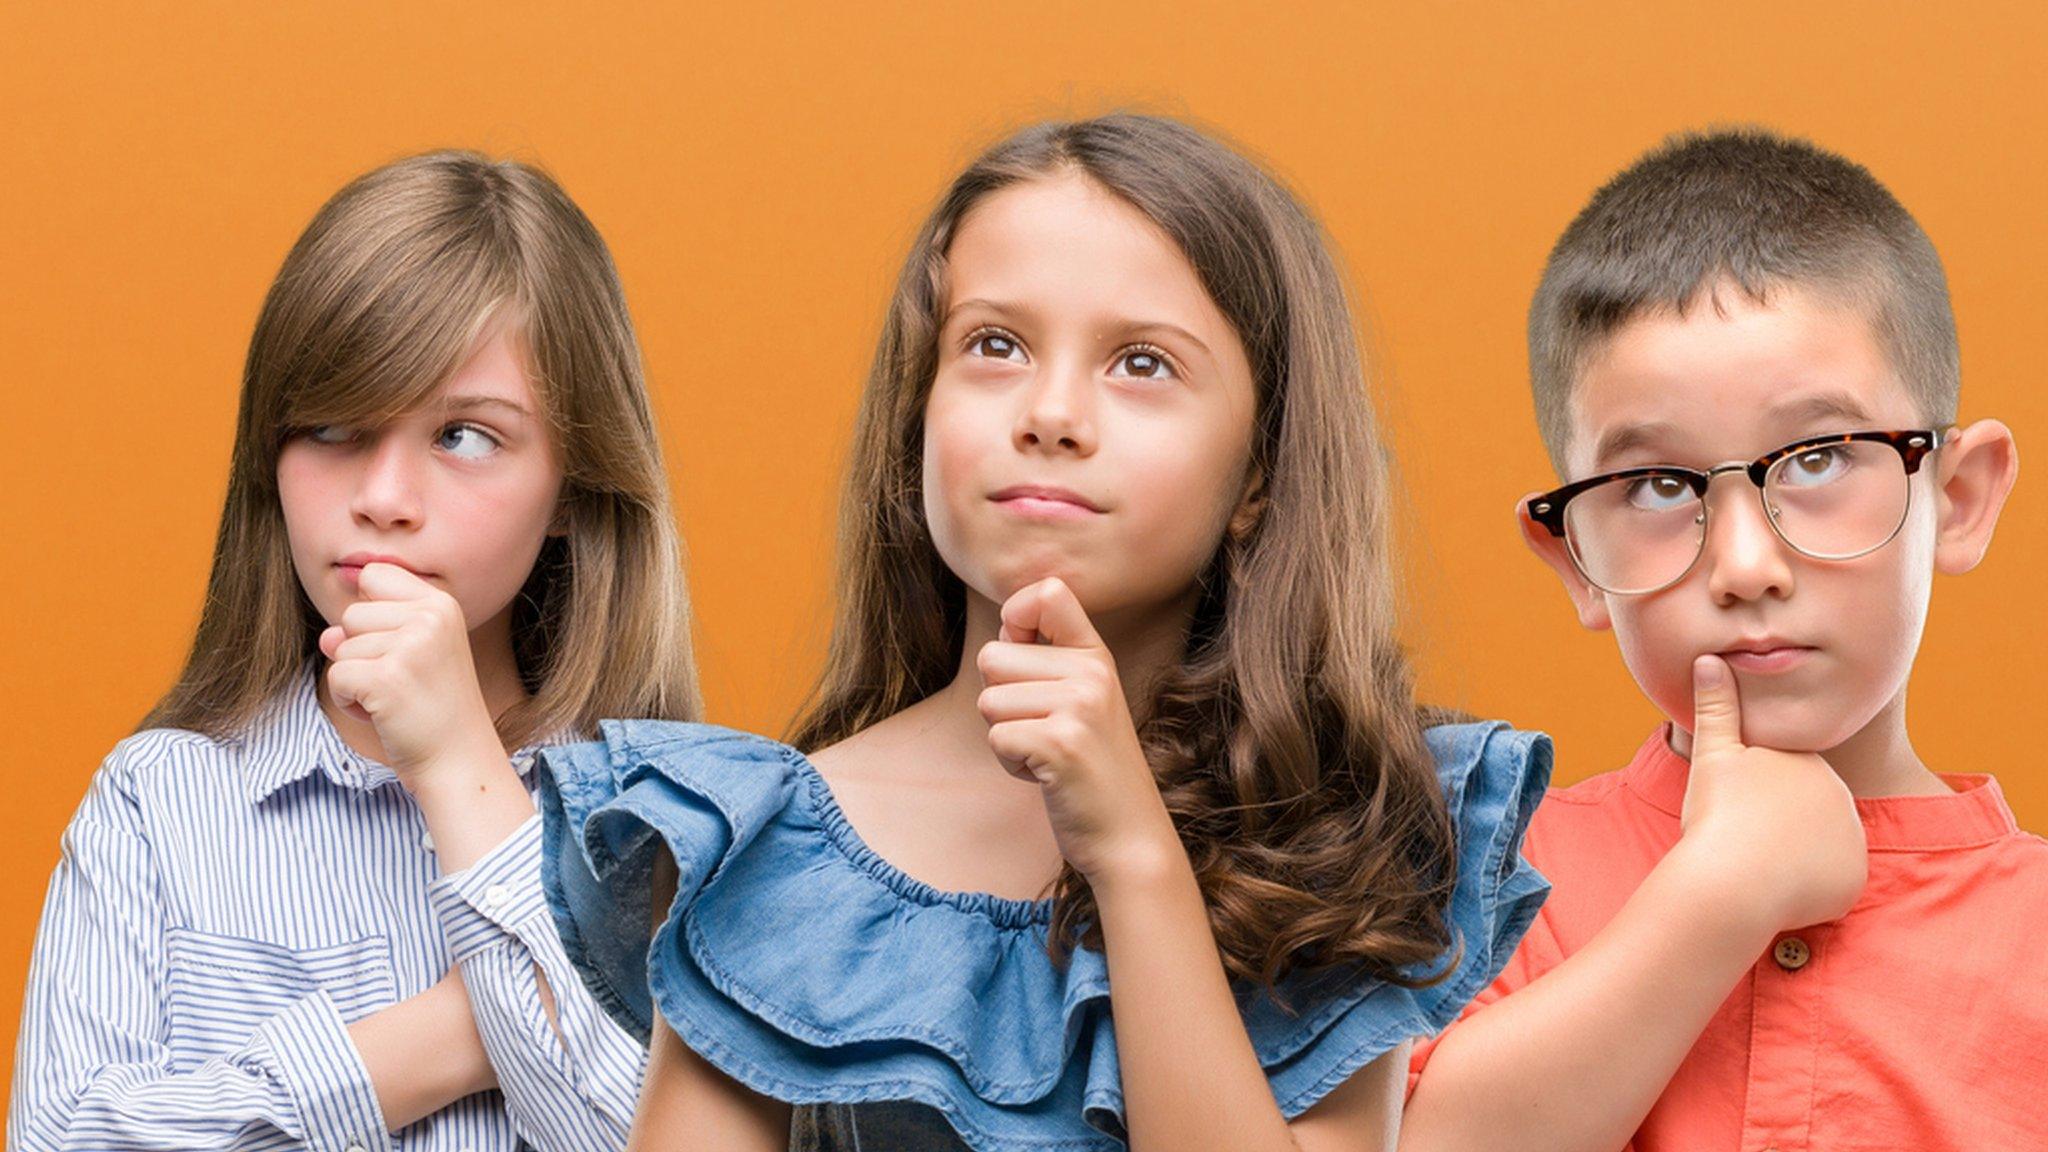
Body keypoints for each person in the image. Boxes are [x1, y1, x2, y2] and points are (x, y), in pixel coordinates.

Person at [537, 113, 1550, 1152]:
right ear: (917, 414)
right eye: (994, 345)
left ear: (1257, 474)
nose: (1051, 412)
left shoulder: (1348, 825)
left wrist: (1128, 851)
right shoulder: (763, 846)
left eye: (1142, 364)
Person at [10, 150, 696, 1151]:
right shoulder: (157, 804)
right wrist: (449, 1036)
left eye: (464, 435)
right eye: (333, 425)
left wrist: (458, 759)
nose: (381, 496)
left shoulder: (677, 825)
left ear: (574, 492)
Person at [1401, 129, 2040, 1152]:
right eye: (1658, 486)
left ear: (1956, 499)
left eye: (1821, 457)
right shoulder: (1482, 875)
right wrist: (1713, 900)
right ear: (1573, 558)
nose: (1743, 566)